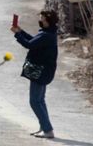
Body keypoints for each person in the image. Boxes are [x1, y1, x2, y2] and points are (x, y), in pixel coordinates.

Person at [11, 10, 59, 139]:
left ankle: (48, 130)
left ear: (47, 20)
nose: (40, 19)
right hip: (45, 71)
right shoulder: (48, 33)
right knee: (40, 100)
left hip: (40, 72)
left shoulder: (46, 35)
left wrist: (17, 34)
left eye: (42, 18)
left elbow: (29, 44)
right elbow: (34, 41)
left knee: (34, 101)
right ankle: (44, 127)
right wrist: (21, 32)